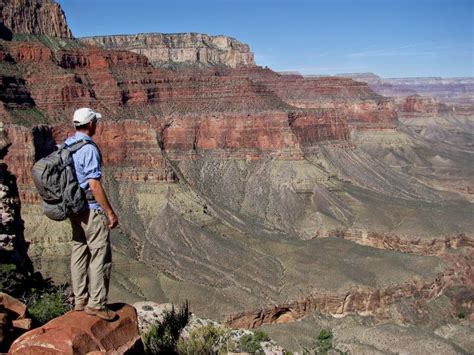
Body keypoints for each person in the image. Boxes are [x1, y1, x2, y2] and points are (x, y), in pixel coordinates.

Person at [65, 107, 119, 321]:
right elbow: (94, 184)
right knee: (100, 254)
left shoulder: (67, 145)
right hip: (89, 209)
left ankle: (80, 300)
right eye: (95, 122)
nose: (97, 125)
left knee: (78, 251)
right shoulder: (88, 148)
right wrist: (110, 213)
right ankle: (96, 304)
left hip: (73, 208)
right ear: (90, 124)